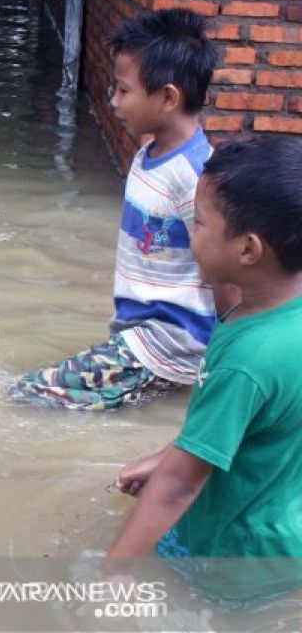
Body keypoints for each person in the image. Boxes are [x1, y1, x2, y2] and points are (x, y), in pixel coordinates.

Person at [107, 136, 302, 606]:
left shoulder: (246, 360)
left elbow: (180, 485)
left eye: (198, 222)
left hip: (234, 554)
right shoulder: (282, 318)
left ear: (249, 250)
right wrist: (167, 455)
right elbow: (259, 424)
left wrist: (115, 566)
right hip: (284, 535)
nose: (189, 232)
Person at [11, 9, 232, 410]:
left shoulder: (196, 177)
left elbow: (228, 274)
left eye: (123, 90)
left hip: (167, 343)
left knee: (28, 396)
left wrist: (226, 359)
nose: (113, 102)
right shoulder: (149, 155)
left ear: (167, 97)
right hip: (139, 338)